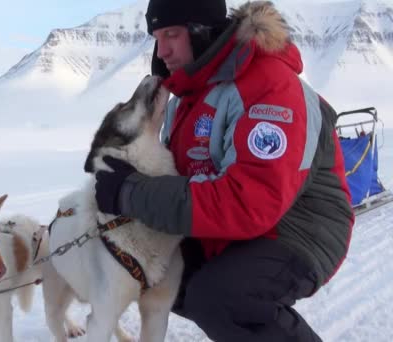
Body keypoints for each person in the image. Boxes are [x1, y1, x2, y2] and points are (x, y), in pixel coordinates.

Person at [94, 0, 355, 341]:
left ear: (203, 32)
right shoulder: (187, 100)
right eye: (157, 38)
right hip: (242, 225)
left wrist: (131, 191)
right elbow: (183, 184)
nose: (163, 50)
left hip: (300, 226)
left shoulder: (268, 86)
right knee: (153, 270)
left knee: (221, 298)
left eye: (171, 34)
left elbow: (249, 202)